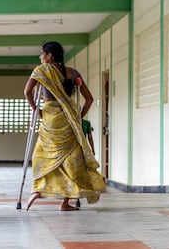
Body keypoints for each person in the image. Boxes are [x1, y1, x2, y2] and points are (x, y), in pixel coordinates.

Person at [24, 41, 106, 211]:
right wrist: (78, 116)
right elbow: (89, 99)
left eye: (42, 53)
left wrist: (37, 111)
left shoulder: (41, 71)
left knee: (44, 156)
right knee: (72, 162)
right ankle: (65, 202)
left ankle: (38, 189)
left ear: (50, 56)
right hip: (69, 120)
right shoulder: (72, 72)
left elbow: (27, 92)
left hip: (51, 119)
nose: (40, 57)